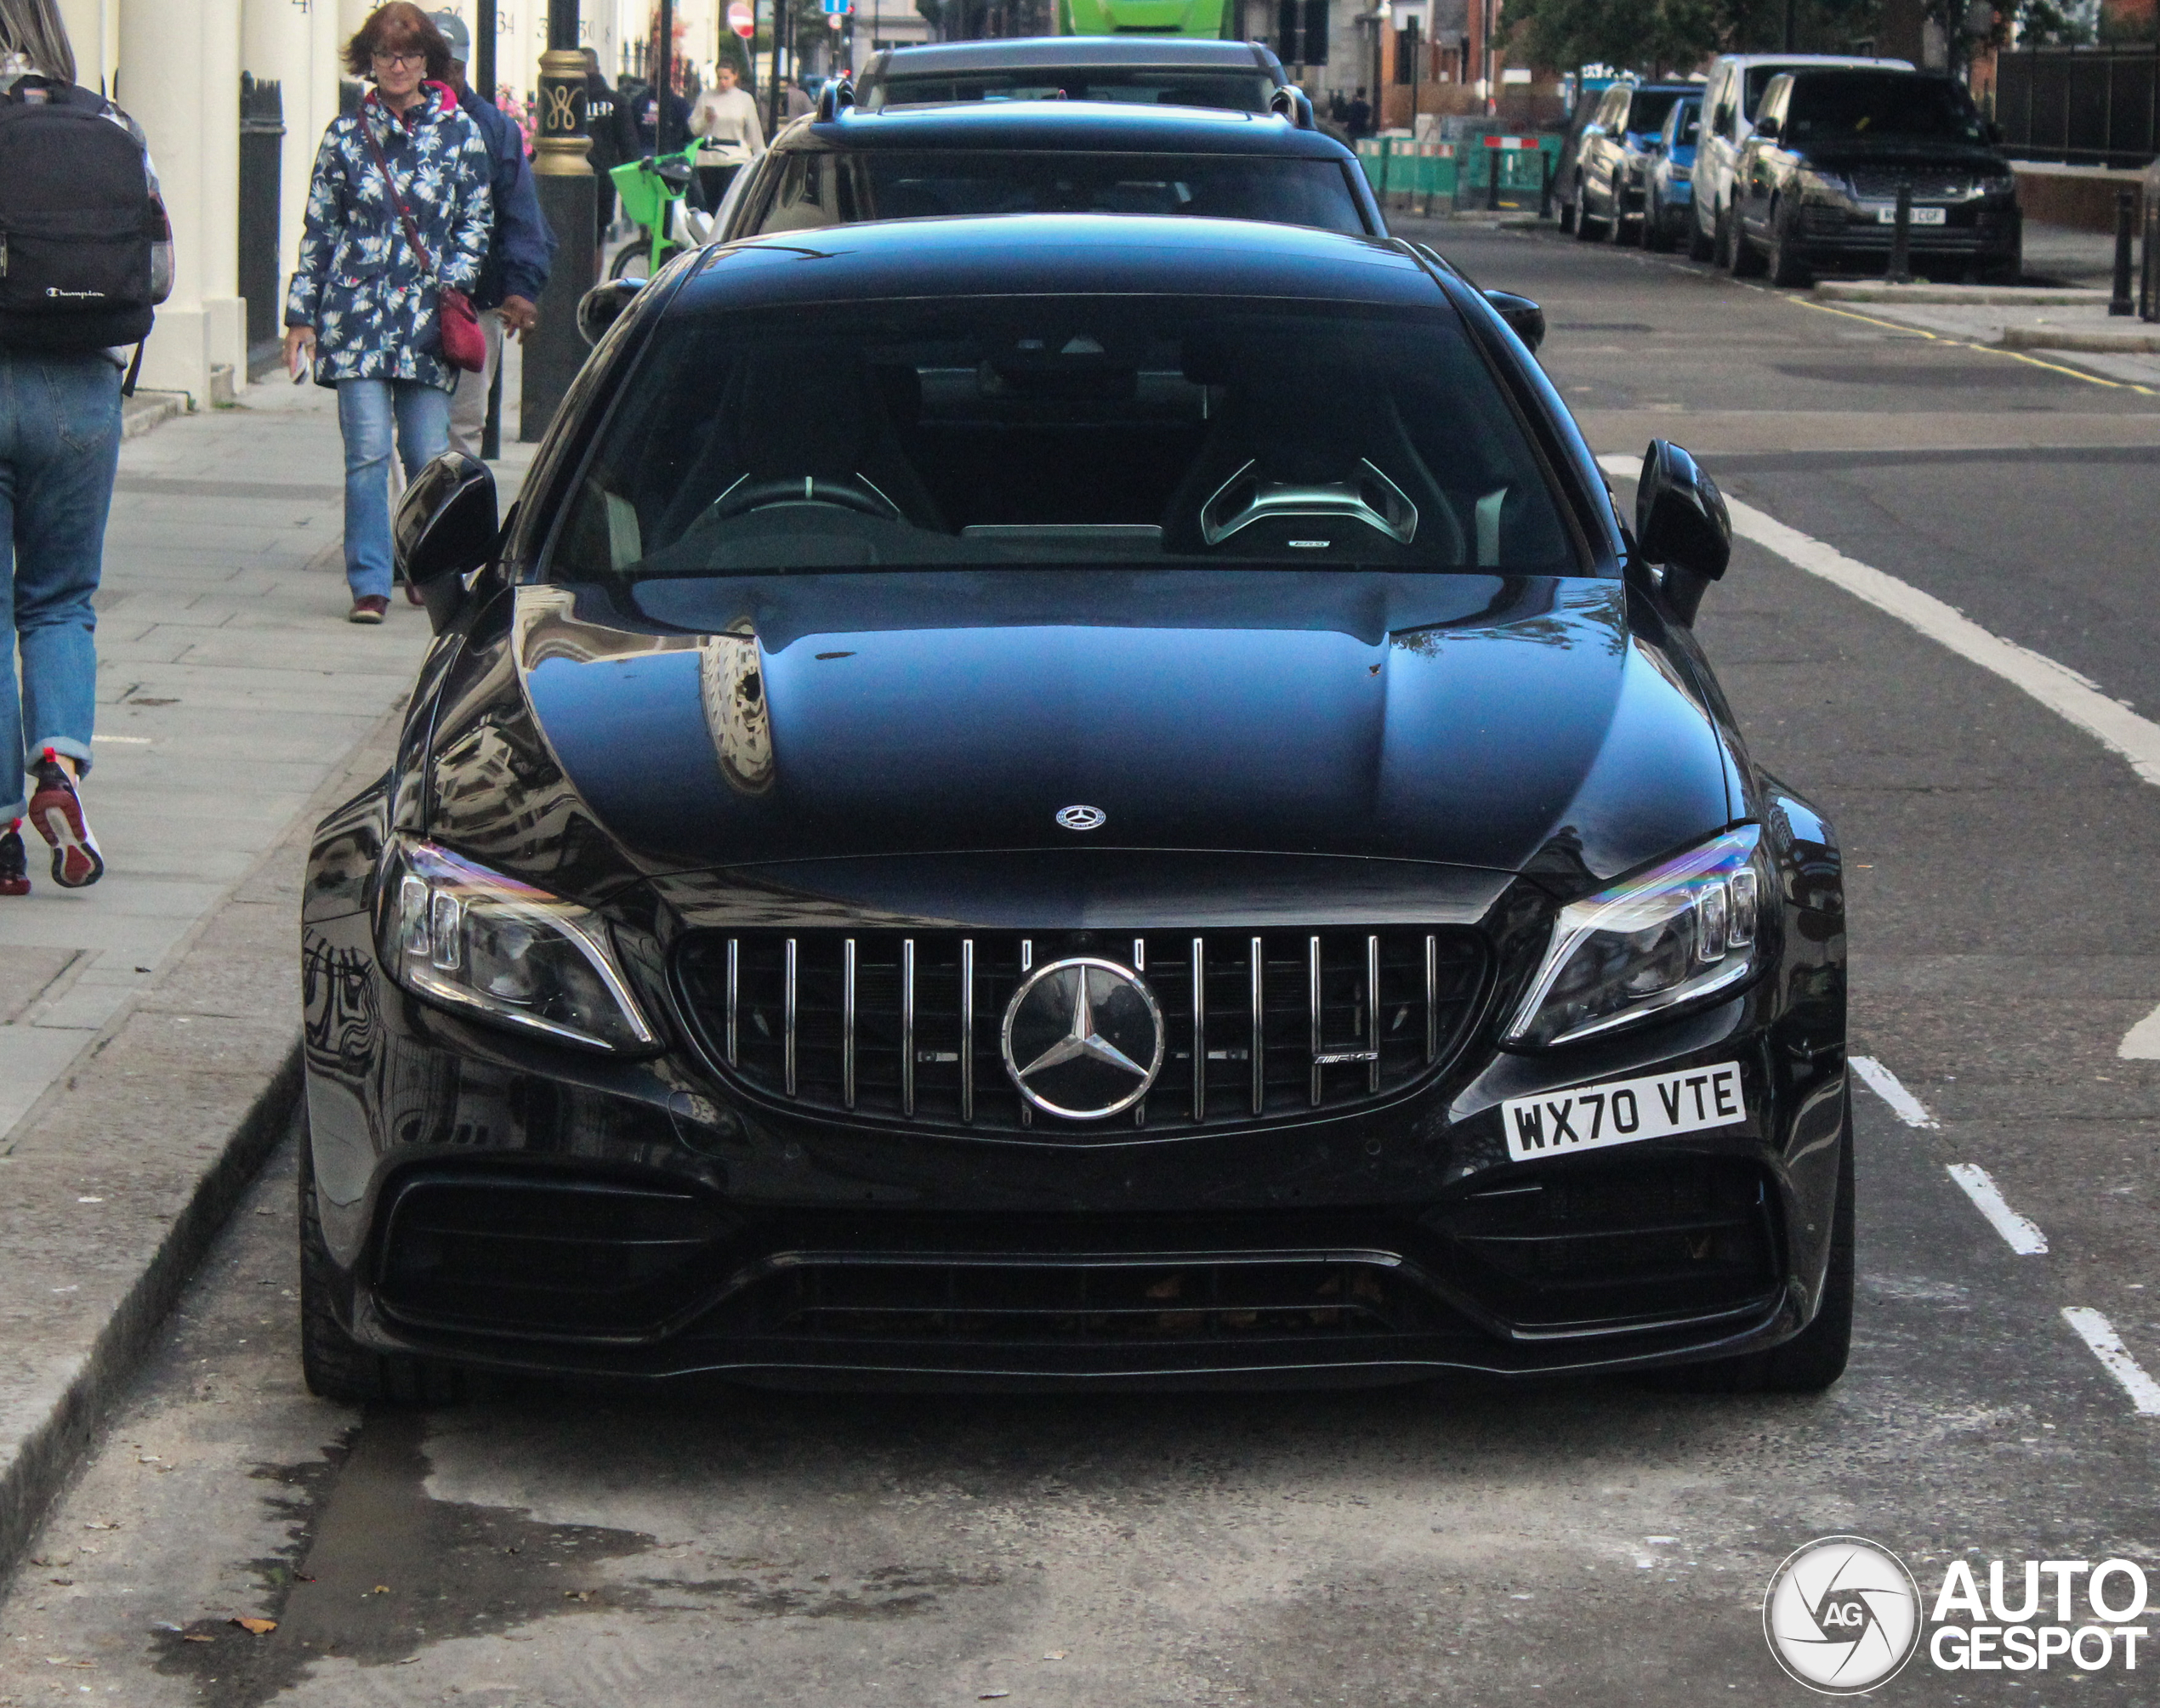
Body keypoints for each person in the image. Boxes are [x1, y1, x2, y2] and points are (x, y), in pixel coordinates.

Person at [0, 0, 172, 895]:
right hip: (81, 388)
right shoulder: (108, 124)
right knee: (61, 598)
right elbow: (159, 269)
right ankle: (59, 765)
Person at [281, 3, 493, 625]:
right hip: (356, 319)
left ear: (428, 61)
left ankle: (424, 569)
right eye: (384, 55)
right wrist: (302, 315)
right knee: (368, 450)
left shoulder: (459, 135)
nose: (396, 66)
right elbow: (319, 227)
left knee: (429, 453)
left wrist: (452, 280)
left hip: (426, 321)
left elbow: (476, 221)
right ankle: (370, 580)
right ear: (368, 62)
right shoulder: (345, 135)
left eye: (408, 55)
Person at [429, 9, 554, 468]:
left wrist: (521, 289)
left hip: (474, 302)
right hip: (411, 299)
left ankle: (439, 533)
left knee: (463, 428)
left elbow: (520, 213)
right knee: (412, 430)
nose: (448, 75)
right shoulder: (400, 122)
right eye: (439, 63)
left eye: (454, 65)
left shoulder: (493, 128)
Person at [686, 60, 763, 211]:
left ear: (735, 76)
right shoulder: (706, 97)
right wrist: (706, 120)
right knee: (712, 204)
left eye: (726, 78)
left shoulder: (744, 99)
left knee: (730, 204)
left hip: (736, 157)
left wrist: (761, 155)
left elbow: (754, 131)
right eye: (719, 78)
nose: (722, 82)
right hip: (709, 160)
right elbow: (694, 128)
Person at [582, 47, 635, 243]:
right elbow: (628, 143)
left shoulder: (568, 99)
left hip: (573, 175)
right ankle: (593, 275)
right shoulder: (616, 101)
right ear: (597, 67)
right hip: (605, 174)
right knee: (599, 235)